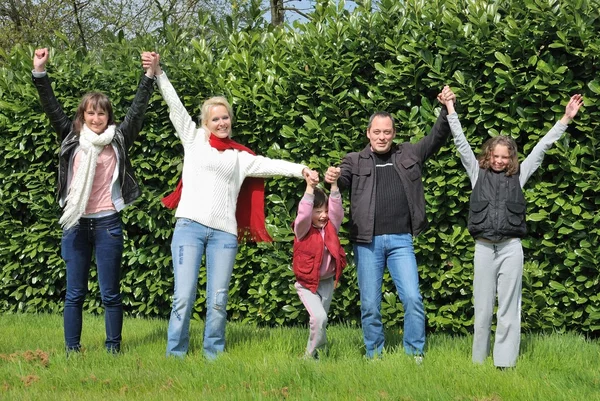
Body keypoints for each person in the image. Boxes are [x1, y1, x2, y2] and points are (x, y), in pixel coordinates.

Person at [147, 55, 319, 359]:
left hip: (224, 235)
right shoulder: (194, 139)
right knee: (183, 296)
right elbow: (174, 107)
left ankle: (213, 354)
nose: (221, 123)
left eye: (225, 118)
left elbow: (270, 165)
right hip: (189, 227)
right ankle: (175, 354)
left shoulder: (239, 156)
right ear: (205, 123)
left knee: (218, 298)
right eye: (215, 119)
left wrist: (301, 169)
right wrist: (159, 73)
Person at [441, 91, 583, 368]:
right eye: (495, 155)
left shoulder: (521, 173)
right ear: (488, 155)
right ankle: (478, 362)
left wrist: (566, 118)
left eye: (505, 157)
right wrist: (449, 107)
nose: (499, 161)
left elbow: (542, 147)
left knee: (509, 308)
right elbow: (461, 143)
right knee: (482, 309)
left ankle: (504, 363)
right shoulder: (476, 171)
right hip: (483, 247)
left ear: (512, 158)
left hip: (510, 249)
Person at [32, 48, 157, 353]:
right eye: (91, 112)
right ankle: (72, 350)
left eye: (101, 113)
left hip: (108, 225)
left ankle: (113, 348)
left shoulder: (120, 137)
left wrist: (149, 75)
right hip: (75, 224)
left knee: (110, 294)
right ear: (83, 115)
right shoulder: (70, 135)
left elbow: (138, 109)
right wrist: (39, 71)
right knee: (74, 293)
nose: (96, 117)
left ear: (108, 116)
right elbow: (51, 105)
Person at [325, 87, 455, 361]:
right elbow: (343, 180)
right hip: (366, 243)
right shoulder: (353, 160)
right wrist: (333, 178)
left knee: (412, 299)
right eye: (377, 132)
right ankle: (374, 354)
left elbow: (436, 138)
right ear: (368, 134)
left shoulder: (409, 153)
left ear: (393, 134)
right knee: (370, 305)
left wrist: (446, 109)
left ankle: (414, 354)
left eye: (387, 132)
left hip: (400, 241)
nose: (382, 137)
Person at [292, 168, 347, 359]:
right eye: (318, 211)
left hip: (326, 282)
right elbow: (304, 215)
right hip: (307, 284)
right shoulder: (303, 230)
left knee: (319, 322)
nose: (323, 215)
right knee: (319, 318)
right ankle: (309, 356)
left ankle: (317, 355)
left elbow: (336, 210)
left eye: (325, 211)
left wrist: (333, 185)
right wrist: (309, 188)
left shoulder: (331, 227)